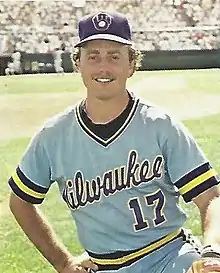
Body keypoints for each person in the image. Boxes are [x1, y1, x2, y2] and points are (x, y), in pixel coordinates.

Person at [8, 11, 220, 273]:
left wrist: (212, 251)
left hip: (170, 257)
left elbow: (210, 197)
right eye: (93, 57)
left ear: (132, 64)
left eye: (114, 56)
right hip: (104, 267)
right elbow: (20, 200)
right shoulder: (53, 136)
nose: (103, 67)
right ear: (78, 64)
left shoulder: (160, 125)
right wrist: (62, 262)